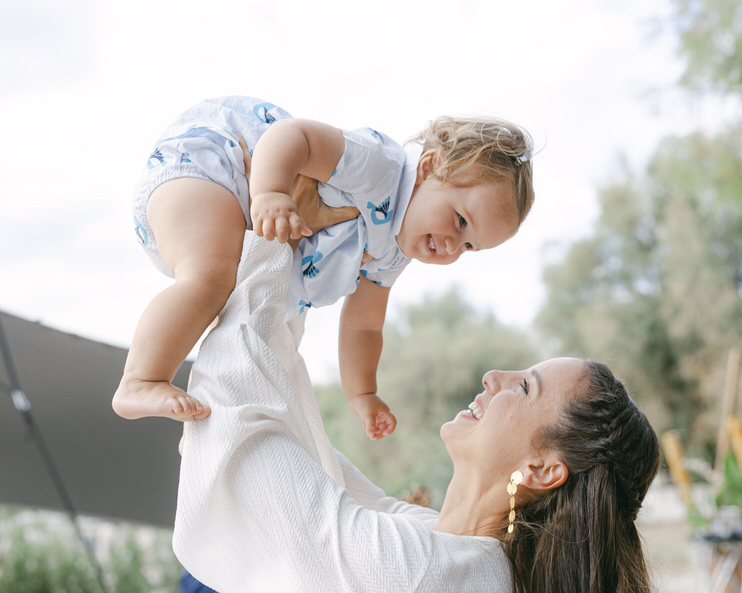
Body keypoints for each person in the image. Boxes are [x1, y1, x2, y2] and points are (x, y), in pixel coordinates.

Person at [173, 232, 661, 593]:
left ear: (544, 470)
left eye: (525, 386)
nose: (494, 375)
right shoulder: (460, 556)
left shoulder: (424, 574)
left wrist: (274, 235)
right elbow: (308, 457)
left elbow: (247, 443)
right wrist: (303, 269)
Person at [113, 96, 534, 439]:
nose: (451, 248)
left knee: (253, 330)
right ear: (429, 168)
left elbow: (364, 326)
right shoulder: (380, 168)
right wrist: (271, 193)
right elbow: (291, 136)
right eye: (460, 221)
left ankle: (216, 433)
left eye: (469, 246)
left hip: (229, 222)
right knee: (210, 279)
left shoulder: (391, 254)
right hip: (215, 169)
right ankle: (140, 380)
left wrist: (364, 392)